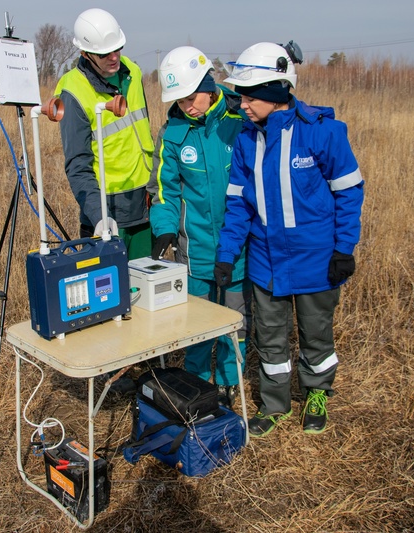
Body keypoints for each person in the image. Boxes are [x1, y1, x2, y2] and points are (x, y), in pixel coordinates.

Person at [214, 42, 364, 437]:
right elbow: (238, 205)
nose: (242, 104)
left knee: (316, 334)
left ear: (275, 91)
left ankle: (317, 393)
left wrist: (344, 249)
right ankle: (274, 404)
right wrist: (228, 254)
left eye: (249, 96)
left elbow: (349, 192)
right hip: (266, 262)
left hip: (317, 262)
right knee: (270, 338)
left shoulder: (324, 134)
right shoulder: (247, 140)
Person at [147, 46, 251, 409]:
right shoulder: (173, 135)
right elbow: (164, 190)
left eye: (192, 97)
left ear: (209, 84)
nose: (188, 106)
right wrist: (163, 229)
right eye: (180, 100)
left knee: (234, 320)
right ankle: (196, 382)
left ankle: (228, 381)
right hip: (196, 252)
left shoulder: (240, 120)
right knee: (196, 324)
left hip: (238, 248)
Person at [53, 7, 154, 260]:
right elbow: (78, 164)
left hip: (145, 202)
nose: (114, 57)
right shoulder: (73, 92)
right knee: (110, 296)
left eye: (117, 48)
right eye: (104, 53)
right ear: (85, 53)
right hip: (107, 212)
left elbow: (144, 133)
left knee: (146, 290)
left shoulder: (133, 71)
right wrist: (99, 216)